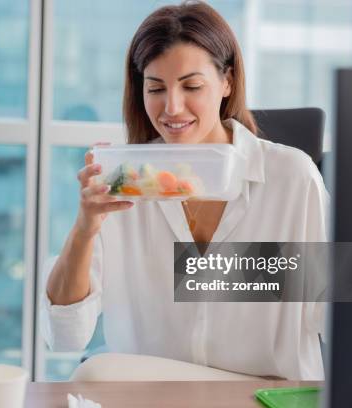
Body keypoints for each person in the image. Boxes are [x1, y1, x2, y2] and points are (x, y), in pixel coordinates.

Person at [41, 1, 328, 380]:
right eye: (155, 88)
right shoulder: (122, 179)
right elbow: (66, 335)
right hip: (153, 390)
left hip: (264, 391)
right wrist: (86, 227)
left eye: (191, 86)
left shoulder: (292, 177)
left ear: (227, 81)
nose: (172, 108)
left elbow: (338, 310)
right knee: (93, 373)